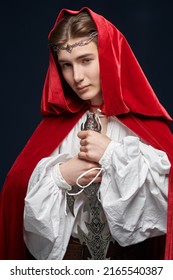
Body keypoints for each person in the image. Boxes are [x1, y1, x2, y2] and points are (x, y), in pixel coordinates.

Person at [0, 7, 173, 260]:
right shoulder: (54, 128)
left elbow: (165, 203)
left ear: (109, 55)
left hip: (130, 262)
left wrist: (112, 154)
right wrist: (61, 175)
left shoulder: (144, 126)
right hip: (66, 259)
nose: (77, 77)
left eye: (86, 60)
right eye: (66, 65)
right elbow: (16, 195)